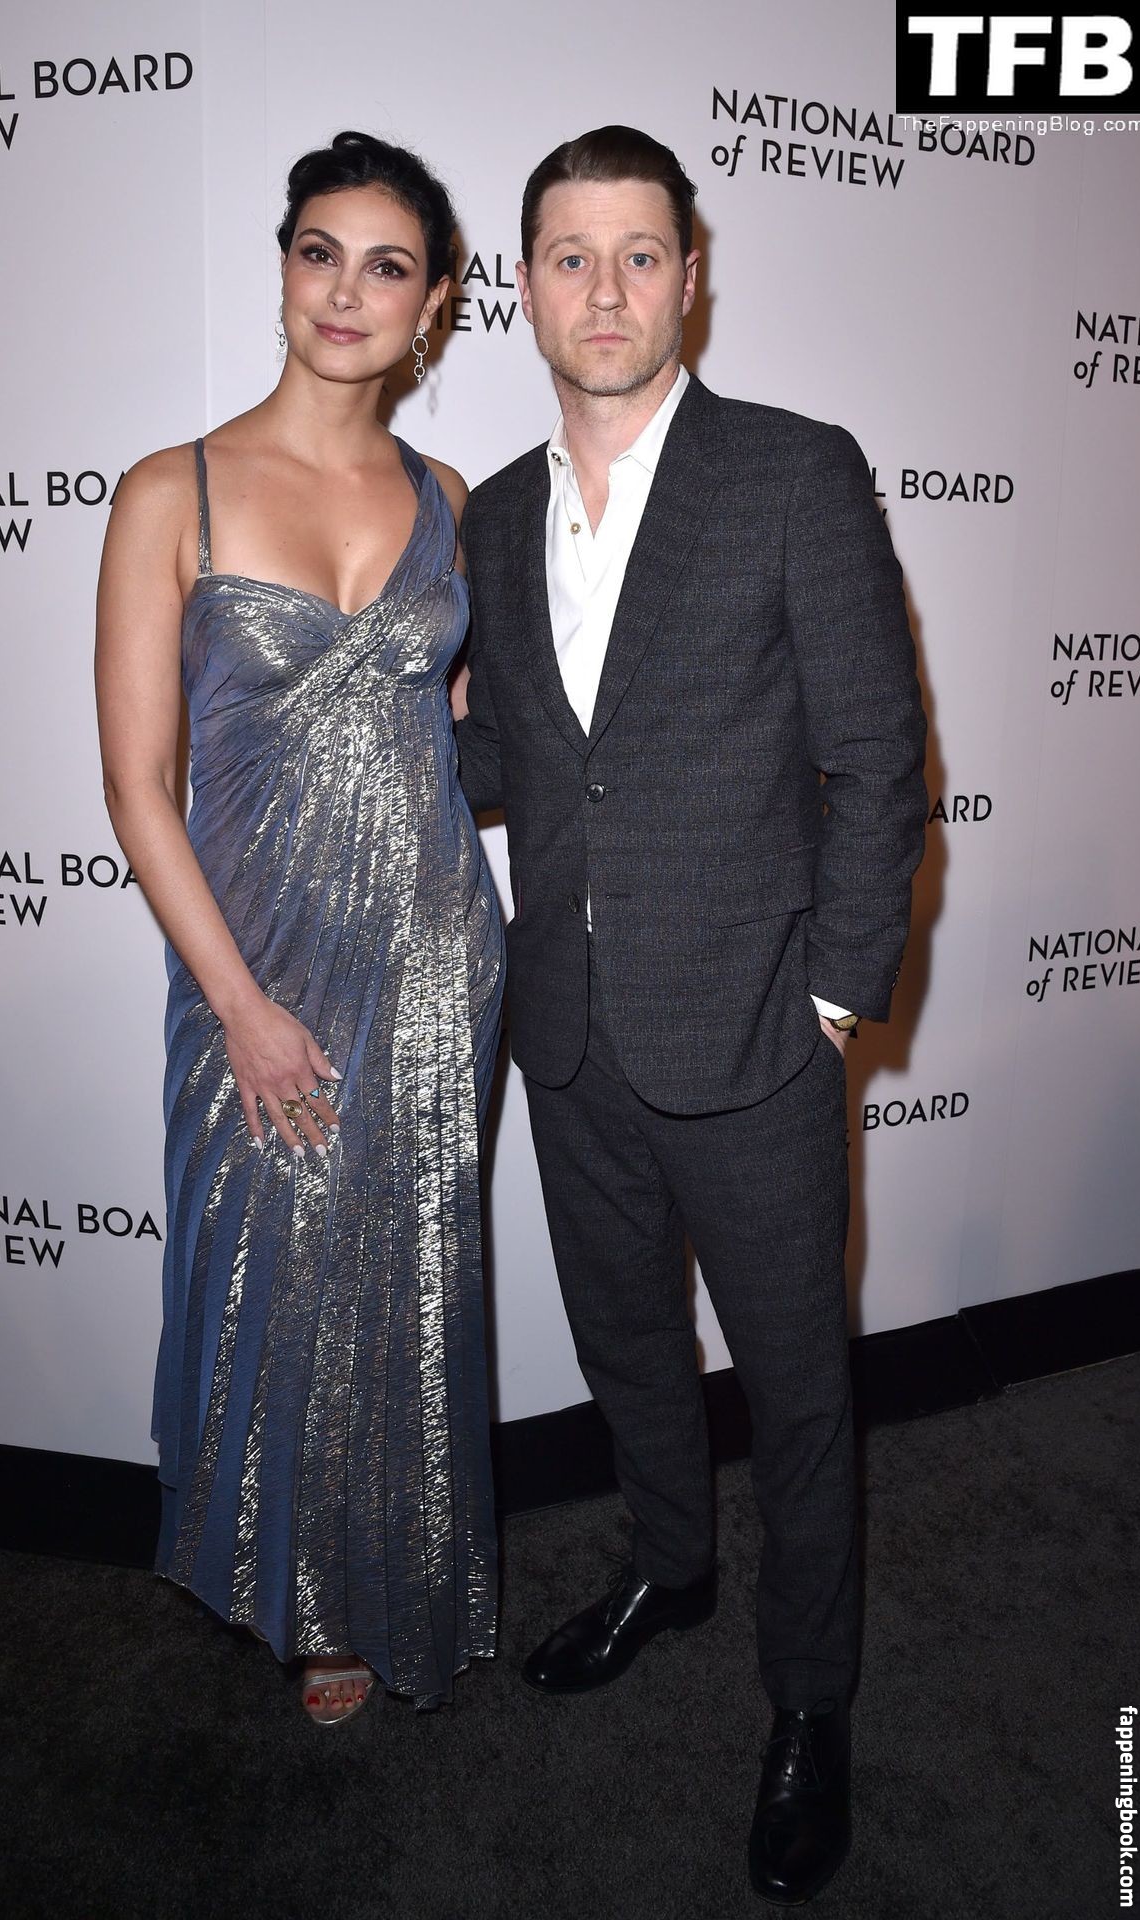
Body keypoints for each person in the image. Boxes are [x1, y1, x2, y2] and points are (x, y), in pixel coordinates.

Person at [452, 125, 927, 1901]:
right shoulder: (493, 515)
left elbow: (878, 763)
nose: (606, 290)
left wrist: (834, 998)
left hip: (754, 1039)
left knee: (796, 1389)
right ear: (523, 286)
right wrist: (379, 722)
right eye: (571, 257)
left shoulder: (795, 471)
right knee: (627, 1343)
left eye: (638, 255)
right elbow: (520, 764)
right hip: (568, 1033)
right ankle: (672, 1561)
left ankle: (811, 1701)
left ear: (689, 276)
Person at [95, 131, 503, 1724]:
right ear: (282, 269)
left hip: (435, 954)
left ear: (435, 304)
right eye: (320, 251)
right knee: (271, 1275)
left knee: (409, 1280)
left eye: (387, 266)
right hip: (250, 964)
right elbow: (139, 787)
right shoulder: (170, 491)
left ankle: (393, 1581)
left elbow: (456, 742)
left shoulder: (449, 499)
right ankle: (303, 1590)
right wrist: (243, 1006)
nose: (346, 290)